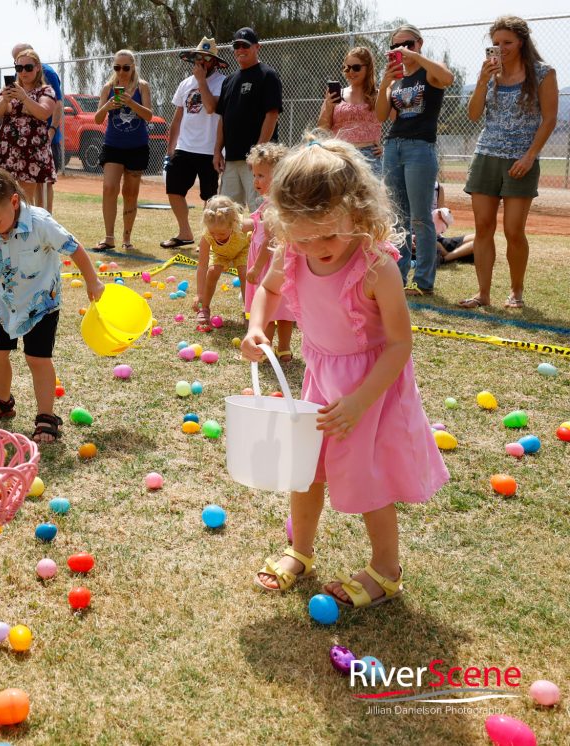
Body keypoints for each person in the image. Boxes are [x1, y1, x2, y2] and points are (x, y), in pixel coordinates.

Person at [242, 137, 448, 607]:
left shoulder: (377, 268)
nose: (316, 247)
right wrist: (257, 327)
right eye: (303, 236)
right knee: (306, 471)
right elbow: (268, 292)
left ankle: (385, 569)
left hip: (370, 392)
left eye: (328, 235)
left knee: (369, 478)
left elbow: (399, 344)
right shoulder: (292, 251)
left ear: (358, 212)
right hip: (319, 381)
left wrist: (358, 402)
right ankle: (300, 550)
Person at [0, 165, 103, 444]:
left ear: (14, 202)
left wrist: (92, 281)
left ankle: (46, 416)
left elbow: (74, 247)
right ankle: (3, 400)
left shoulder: (40, 222)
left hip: (42, 304)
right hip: (4, 304)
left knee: (37, 359)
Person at [459, 16, 558, 310]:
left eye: (507, 43)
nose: (500, 49)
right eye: (496, 44)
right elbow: (474, 115)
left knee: (514, 230)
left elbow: (550, 119)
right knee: (483, 227)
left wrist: (529, 157)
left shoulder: (542, 73)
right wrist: (481, 80)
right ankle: (483, 294)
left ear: (522, 42)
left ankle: (516, 292)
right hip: (486, 155)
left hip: (520, 160)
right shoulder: (490, 74)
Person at [376, 24, 454, 297]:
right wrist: (385, 81)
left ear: (419, 43)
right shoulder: (397, 78)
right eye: (396, 46)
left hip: (420, 148)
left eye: (408, 44)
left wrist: (415, 58)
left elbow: (447, 77)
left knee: (421, 218)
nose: (403, 50)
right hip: (394, 146)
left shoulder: (429, 71)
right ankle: (397, 277)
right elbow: (381, 115)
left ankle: (423, 282)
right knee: (397, 216)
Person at [161, 37, 228, 250]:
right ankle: (185, 232)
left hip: (209, 149)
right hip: (184, 147)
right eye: (199, 58)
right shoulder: (184, 84)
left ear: (214, 62)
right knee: (174, 190)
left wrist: (201, 82)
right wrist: (170, 149)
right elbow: (178, 117)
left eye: (207, 59)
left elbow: (210, 108)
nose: (202, 63)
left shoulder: (222, 82)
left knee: (210, 196)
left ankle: (208, 238)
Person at [91, 49, 153, 252]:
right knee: (109, 187)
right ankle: (109, 237)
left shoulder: (142, 86)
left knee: (130, 192)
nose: (121, 71)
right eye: (117, 67)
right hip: (113, 145)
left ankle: (127, 238)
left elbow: (149, 116)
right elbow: (98, 119)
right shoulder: (108, 88)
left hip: (137, 147)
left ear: (133, 66)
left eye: (125, 67)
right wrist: (108, 106)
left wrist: (131, 103)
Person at [214, 28, 283, 211]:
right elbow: (223, 118)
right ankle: (233, 241)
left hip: (257, 160)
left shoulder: (267, 75)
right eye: (236, 46)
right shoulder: (229, 81)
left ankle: (264, 241)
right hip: (232, 159)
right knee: (225, 210)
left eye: (245, 45)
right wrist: (217, 151)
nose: (240, 49)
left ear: (256, 47)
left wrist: (258, 153)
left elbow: (272, 114)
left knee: (260, 209)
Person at [242, 143, 294, 361]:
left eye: (261, 175)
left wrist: (257, 266)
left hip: (269, 265)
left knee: (269, 311)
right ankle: (284, 348)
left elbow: (270, 241)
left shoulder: (273, 207)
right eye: (254, 175)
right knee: (284, 309)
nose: (256, 181)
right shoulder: (271, 204)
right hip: (276, 264)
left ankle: (265, 349)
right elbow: (257, 226)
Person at [0, 49, 57, 210]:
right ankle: (9, 228)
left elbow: (43, 113)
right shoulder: (8, 89)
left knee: (26, 196)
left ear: (37, 68)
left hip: (32, 150)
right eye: (19, 68)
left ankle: (26, 230)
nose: (23, 72)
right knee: (5, 192)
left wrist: (24, 97)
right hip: (8, 150)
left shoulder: (45, 90)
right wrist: (5, 100)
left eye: (28, 67)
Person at [11, 42, 63, 213]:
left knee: (44, 184)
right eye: (16, 64)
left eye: (24, 64)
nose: (21, 69)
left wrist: (52, 129)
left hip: (44, 136)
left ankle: (45, 220)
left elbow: (58, 104)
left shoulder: (46, 72)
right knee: (27, 185)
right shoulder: (20, 74)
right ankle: (31, 219)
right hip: (23, 140)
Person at [316, 46, 381, 174]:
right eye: (346, 68)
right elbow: (322, 128)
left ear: (368, 68)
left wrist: (387, 148)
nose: (350, 72)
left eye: (356, 67)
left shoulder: (378, 95)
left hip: (370, 157)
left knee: (370, 194)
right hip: (341, 156)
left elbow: (396, 121)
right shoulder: (336, 94)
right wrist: (328, 106)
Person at [194, 195, 251, 331]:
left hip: (242, 250)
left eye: (222, 233)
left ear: (234, 224)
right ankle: (205, 308)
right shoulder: (207, 236)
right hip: (220, 254)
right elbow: (202, 266)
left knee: (244, 273)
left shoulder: (242, 226)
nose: (217, 236)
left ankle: (249, 312)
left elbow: (260, 228)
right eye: (213, 232)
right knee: (212, 271)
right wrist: (199, 293)